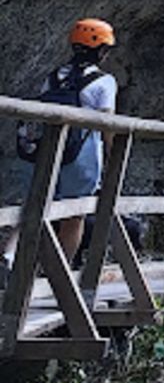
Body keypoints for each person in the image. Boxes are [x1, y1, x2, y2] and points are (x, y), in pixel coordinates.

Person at [7, 18, 118, 266]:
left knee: (34, 204)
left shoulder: (53, 77)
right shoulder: (104, 82)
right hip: (81, 154)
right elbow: (108, 125)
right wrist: (113, 159)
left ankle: (9, 255)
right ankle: (60, 272)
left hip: (44, 150)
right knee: (74, 214)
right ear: (100, 50)